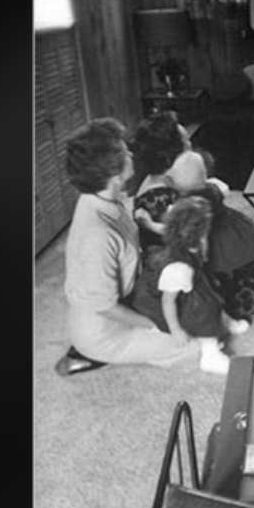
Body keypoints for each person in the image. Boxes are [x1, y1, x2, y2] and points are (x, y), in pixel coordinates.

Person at [55, 118, 202, 377]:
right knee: (197, 345)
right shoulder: (97, 236)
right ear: (113, 173)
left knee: (197, 304)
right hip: (104, 329)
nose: (131, 153)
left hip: (132, 295)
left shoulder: (105, 197)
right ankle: (88, 354)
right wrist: (154, 325)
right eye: (125, 151)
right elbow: (104, 306)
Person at [130, 196, 249, 375]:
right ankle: (210, 355)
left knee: (213, 288)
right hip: (160, 303)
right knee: (205, 307)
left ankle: (225, 321)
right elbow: (167, 302)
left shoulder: (183, 240)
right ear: (198, 233)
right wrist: (175, 329)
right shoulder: (179, 269)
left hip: (183, 283)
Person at [167, 150, 254, 320]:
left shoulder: (184, 204)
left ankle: (242, 286)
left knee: (218, 277)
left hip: (216, 242)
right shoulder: (213, 188)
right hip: (236, 233)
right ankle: (253, 271)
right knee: (253, 263)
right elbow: (224, 189)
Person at [129, 111, 192, 252]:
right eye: (185, 142)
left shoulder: (166, 179)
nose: (190, 144)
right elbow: (181, 236)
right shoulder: (158, 196)